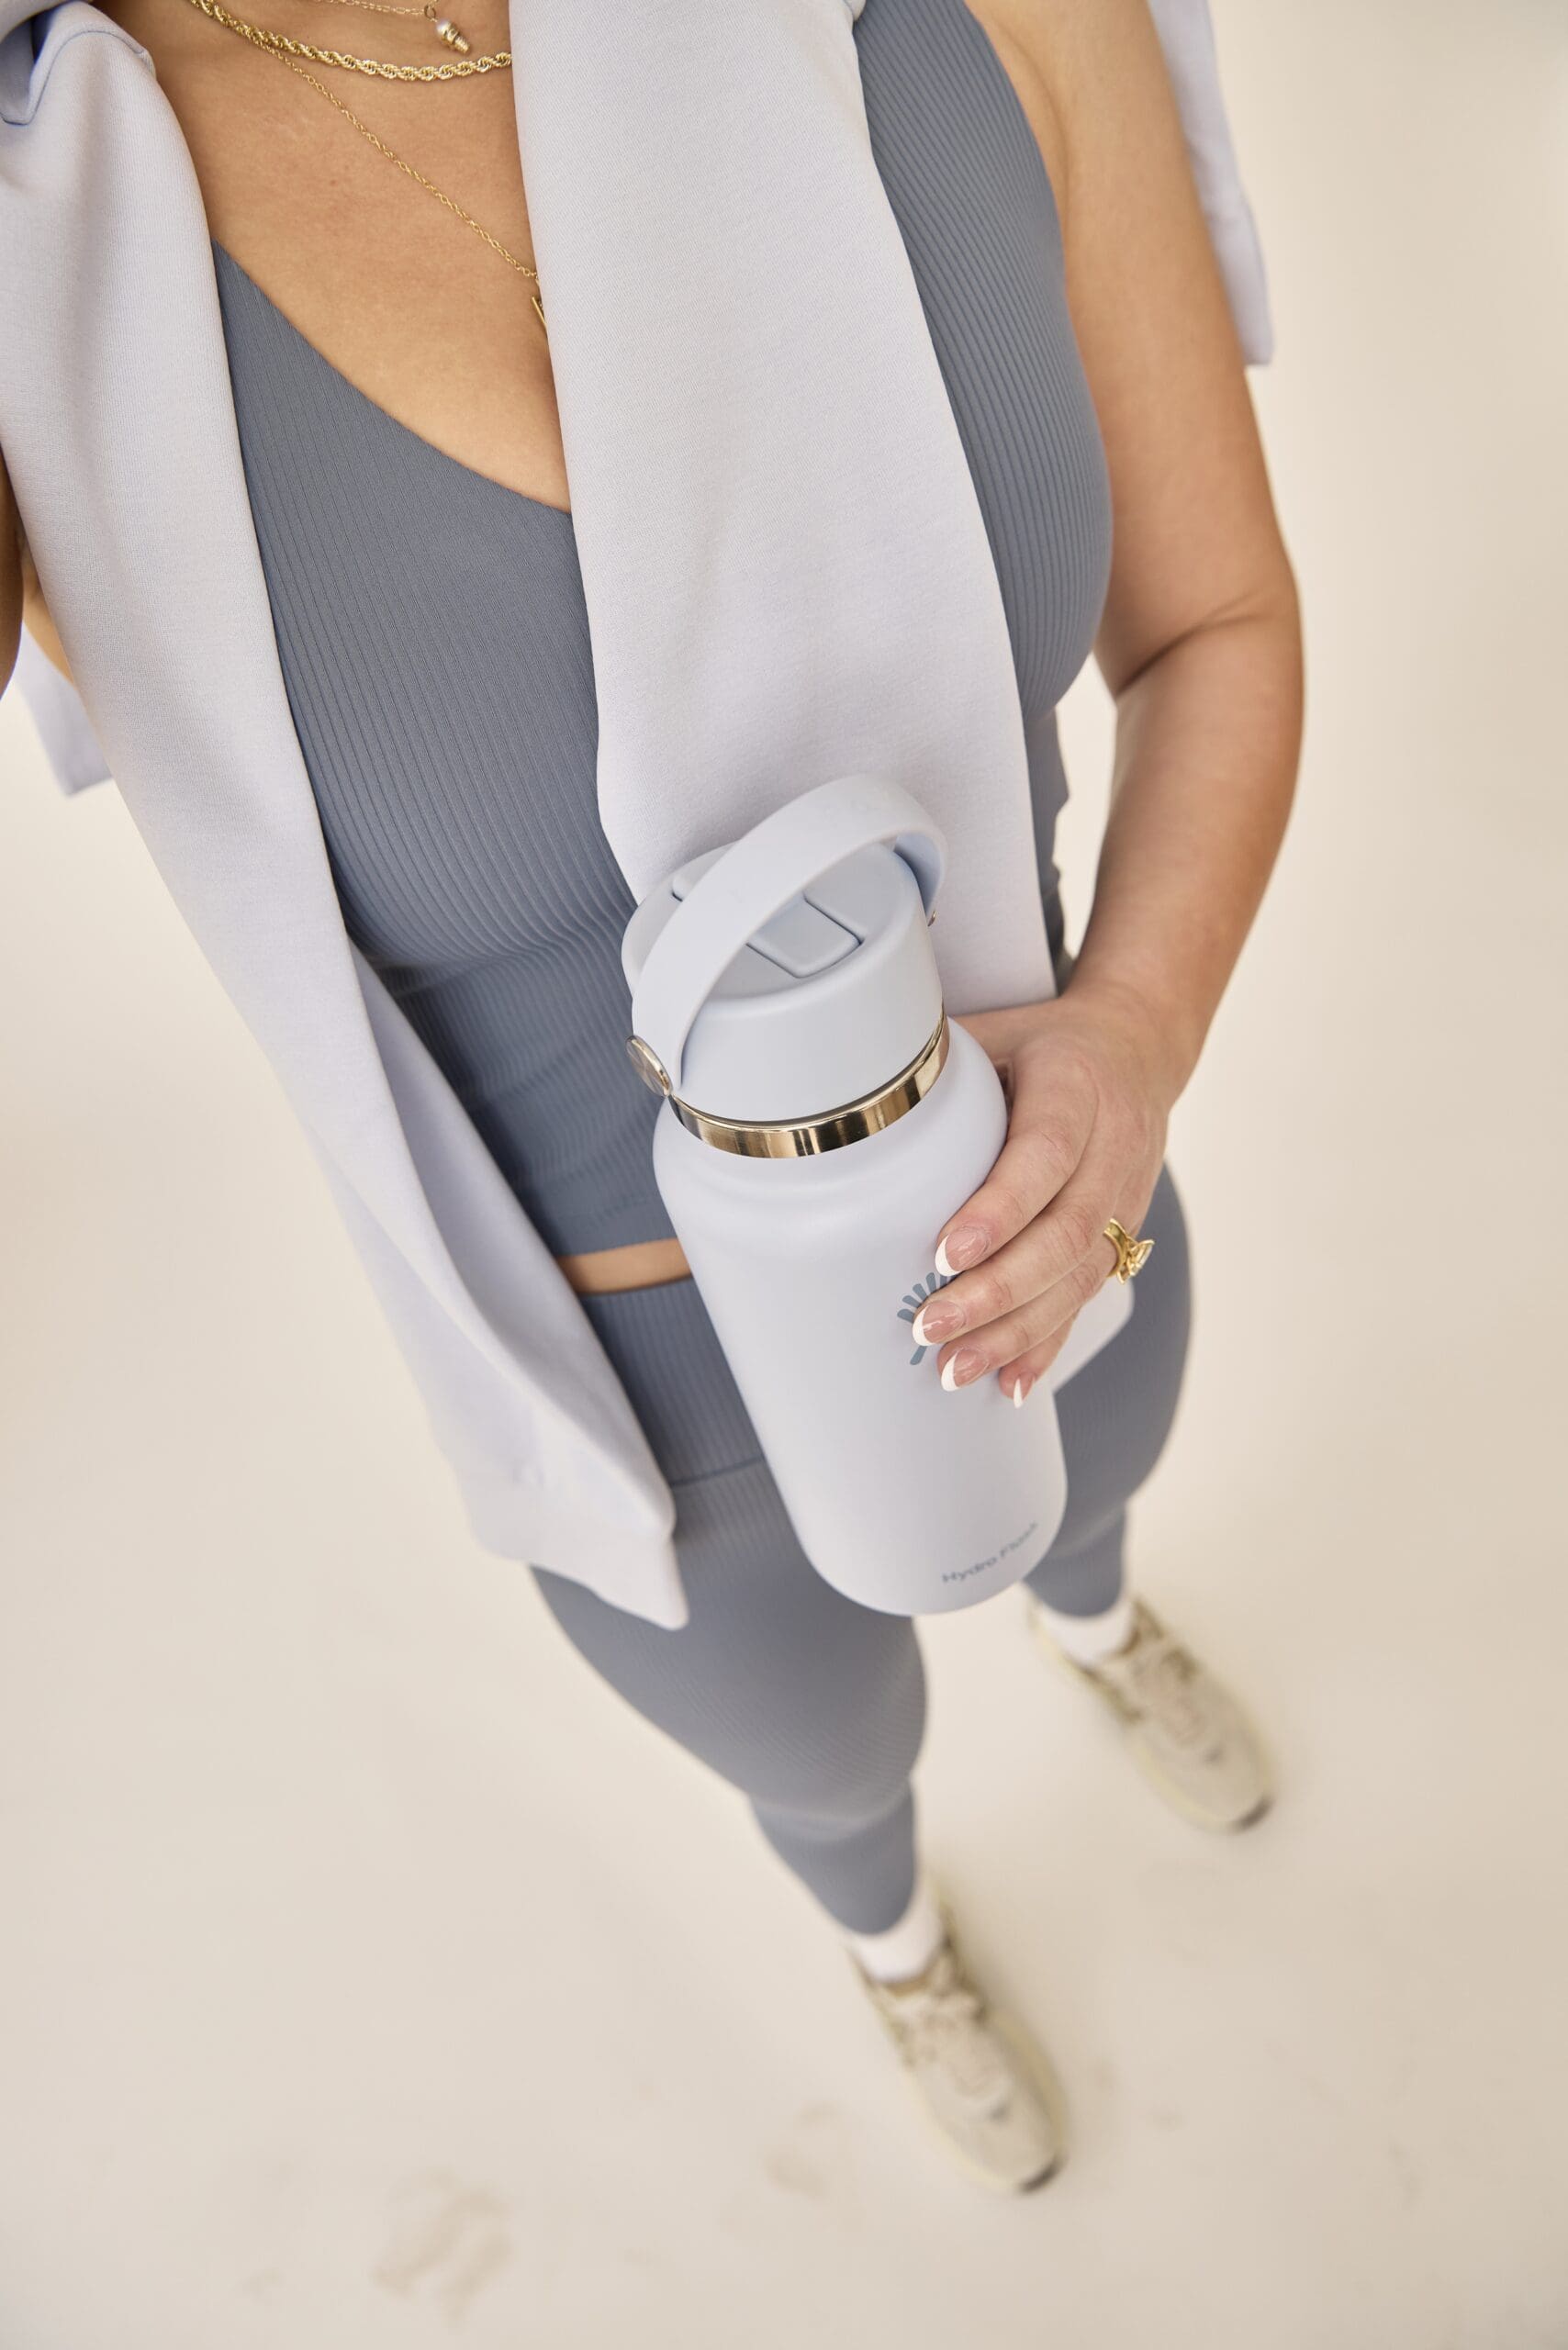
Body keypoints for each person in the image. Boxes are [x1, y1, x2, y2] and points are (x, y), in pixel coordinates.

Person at [0, 0, 1303, 2192]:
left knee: (1094, 1495)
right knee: (826, 1766)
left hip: (1057, 1193)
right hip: (642, 1422)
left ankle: (1097, 1617)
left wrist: (1137, 1029)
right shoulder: (44, 241)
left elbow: (1215, 625)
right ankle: (896, 1947)